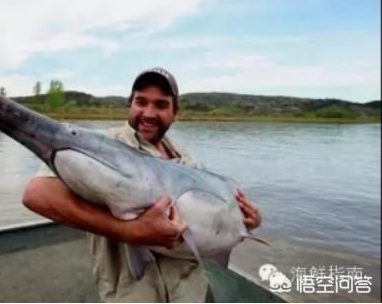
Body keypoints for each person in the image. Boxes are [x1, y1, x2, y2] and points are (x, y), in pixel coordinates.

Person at [22, 67, 262, 302]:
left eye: (161, 105)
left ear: (175, 112)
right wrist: (129, 231)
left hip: (190, 293)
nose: (148, 113)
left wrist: (247, 221)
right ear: (131, 104)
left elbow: (216, 222)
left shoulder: (186, 159)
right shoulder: (100, 144)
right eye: (141, 102)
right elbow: (38, 194)